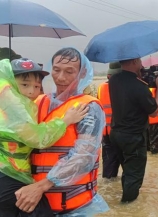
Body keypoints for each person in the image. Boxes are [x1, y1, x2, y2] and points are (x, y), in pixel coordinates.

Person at [15, 48, 108, 216]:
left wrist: (41, 186)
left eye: (69, 71)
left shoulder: (89, 108)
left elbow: (83, 156)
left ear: (82, 73)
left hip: (73, 203)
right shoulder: (37, 101)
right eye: (56, 70)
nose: (61, 77)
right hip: (34, 201)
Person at [0, 58, 88, 216]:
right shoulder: (10, 106)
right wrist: (65, 120)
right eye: (24, 85)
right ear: (10, 84)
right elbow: (38, 138)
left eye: (36, 86)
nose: (31, 92)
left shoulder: (18, 104)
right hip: (7, 176)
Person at [108, 57, 158, 203]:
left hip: (115, 134)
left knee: (128, 171)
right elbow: (153, 112)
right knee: (134, 176)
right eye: (139, 61)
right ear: (134, 62)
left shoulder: (114, 80)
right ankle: (127, 206)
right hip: (133, 136)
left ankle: (125, 200)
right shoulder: (139, 86)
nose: (142, 63)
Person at [98, 62, 121, 180]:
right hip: (118, 131)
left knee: (108, 164)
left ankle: (109, 188)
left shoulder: (101, 87)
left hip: (105, 131)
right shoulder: (121, 87)